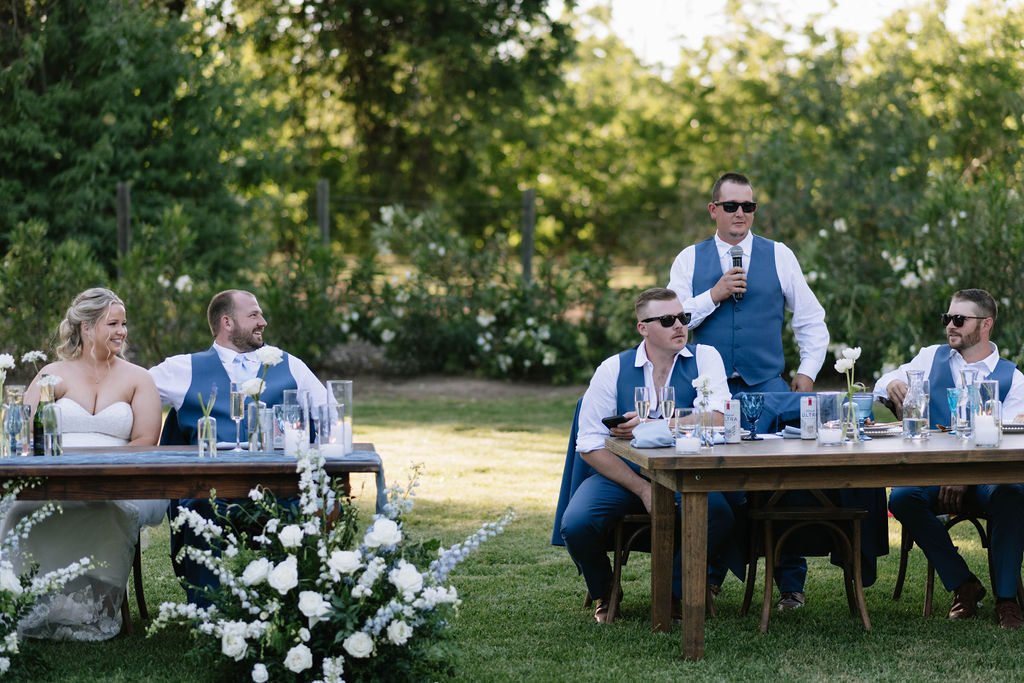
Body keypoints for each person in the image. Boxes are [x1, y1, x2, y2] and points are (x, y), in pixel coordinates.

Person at [667, 171, 829, 610]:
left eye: (749, 207)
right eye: (733, 206)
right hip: (706, 396)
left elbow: (812, 321)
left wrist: (807, 373)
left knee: (783, 483)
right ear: (713, 210)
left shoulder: (780, 256)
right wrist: (714, 294)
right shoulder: (688, 259)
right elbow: (675, 322)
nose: (742, 214)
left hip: (767, 390)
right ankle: (709, 579)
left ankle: (790, 584)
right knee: (715, 486)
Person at [556, 288, 745, 623]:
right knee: (577, 524)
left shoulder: (705, 358)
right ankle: (605, 590)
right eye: (667, 320)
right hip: (623, 474)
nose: (679, 326)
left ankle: (674, 592)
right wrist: (642, 489)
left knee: (717, 514)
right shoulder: (612, 369)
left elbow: (720, 416)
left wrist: (654, 424)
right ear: (643, 327)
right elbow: (588, 443)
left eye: (683, 318)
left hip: (686, 474)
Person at [0, 287, 166, 641]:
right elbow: (23, 435)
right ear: (87, 327)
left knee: (108, 512)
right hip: (52, 477)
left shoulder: (138, 378)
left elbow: (145, 442)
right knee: (19, 511)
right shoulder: (52, 373)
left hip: (117, 479)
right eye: (113, 323)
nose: (122, 331)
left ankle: (94, 610)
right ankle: (20, 602)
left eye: (124, 323)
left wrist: (100, 468)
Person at [149, 289, 329, 606]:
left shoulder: (291, 366)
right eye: (254, 315)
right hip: (209, 493)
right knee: (198, 511)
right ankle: (207, 612)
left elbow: (329, 413)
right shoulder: (183, 368)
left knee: (300, 513)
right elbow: (133, 391)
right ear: (227, 322)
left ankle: (290, 608)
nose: (264, 322)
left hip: (278, 490)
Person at [878, 288, 1024, 629]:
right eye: (948, 318)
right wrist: (892, 387)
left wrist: (967, 474)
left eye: (959, 319)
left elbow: (1011, 440)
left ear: (986, 325)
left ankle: (1006, 601)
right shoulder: (931, 358)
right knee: (902, 497)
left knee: (1012, 493)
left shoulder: (1013, 379)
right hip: (935, 473)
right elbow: (885, 379)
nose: (950, 326)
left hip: (989, 479)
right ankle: (963, 584)